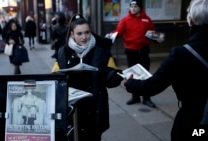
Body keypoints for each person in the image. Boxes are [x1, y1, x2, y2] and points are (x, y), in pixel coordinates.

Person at [123, 0, 208, 140]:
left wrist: (130, 83)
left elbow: (152, 85)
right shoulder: (126, 20)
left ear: (191, 20)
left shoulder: (180, 54)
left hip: (192, 122)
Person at [53, 14, 123, 141]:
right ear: (72, 34)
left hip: (95, 106)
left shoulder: (101, 50)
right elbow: (55, 76)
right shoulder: (63, 52)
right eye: (79, 34)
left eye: (87, 32)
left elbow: (109, 74)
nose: (84, 37)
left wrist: (116, 75)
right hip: (72, 109)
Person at [112, 0, 160, 108]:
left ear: (140, 8)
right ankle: (135, 97)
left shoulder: (147, 20)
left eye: (135, 6)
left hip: (143, 51)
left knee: (146, 75)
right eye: (131, 6)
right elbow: (118, 32)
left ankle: (146, 98)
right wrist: (110, 37)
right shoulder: (125, 20)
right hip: (131, 51)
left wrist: (158, 38)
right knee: (133, 75)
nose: (133, 8)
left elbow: (153, 33)